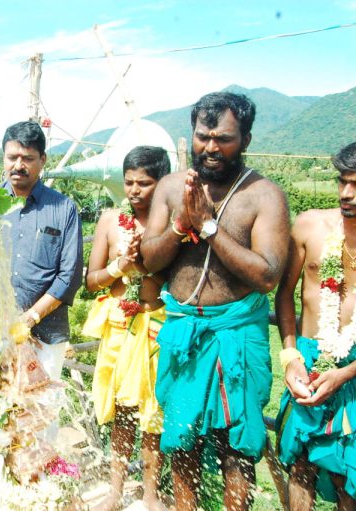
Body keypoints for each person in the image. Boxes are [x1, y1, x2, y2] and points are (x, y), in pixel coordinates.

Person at [139, 91, 290, 511]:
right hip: (184, 332)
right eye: (203, 136)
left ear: (245, 138)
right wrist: (179, 226)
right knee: (182, 437)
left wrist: (207, 226)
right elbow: (148, 260)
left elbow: (267, 276)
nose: (210, 147)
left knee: (236, 444)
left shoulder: (265, 195)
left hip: (237, 335)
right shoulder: (171, 188)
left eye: (223, 138)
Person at [81, 145, 170, 511]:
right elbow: (91, 281)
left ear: (161, 183)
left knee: (153, 412)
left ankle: (150, 495)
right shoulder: (109, 221)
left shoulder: (172, 225)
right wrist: (121, 266)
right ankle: (116, 491)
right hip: (119, 324)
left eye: (144, 183)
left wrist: (147, 263)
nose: (134, 190)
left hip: (157, 325)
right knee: (122, 410)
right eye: (129, 182)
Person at [274, 142, 356, 510]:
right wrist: (291, 356)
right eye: (342, 182)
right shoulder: (309, 225)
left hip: (353, 368)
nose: (346, 193)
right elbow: (284, 294)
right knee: (299, 462)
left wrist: (345, 374)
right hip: (308, 358)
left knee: (348, 478)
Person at [0, 120, 83, 384]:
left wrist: (30, 318)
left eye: (28, 158)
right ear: (4, 157)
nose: (18, 165)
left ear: (43, 160)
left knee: (39, 414)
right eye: (12, 157)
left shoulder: (63, 208)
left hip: (46, 335)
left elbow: (68, 275)